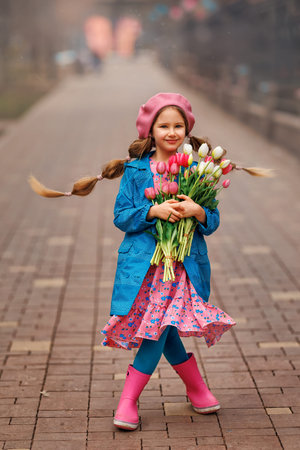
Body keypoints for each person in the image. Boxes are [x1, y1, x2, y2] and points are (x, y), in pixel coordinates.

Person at [29, 92, 272, 431]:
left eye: (178, 126)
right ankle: (187, 390)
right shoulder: (136, 171)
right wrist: (152, 210)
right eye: (164, 126)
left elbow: (212, 221)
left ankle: (136, 399)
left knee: (159, 326)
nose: (171, 133)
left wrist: (198, 210)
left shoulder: (199, 170)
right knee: (160, 327)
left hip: (181, 268)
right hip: (148, 268)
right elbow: (121, 215)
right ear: (150, 130)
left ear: (187, 131)